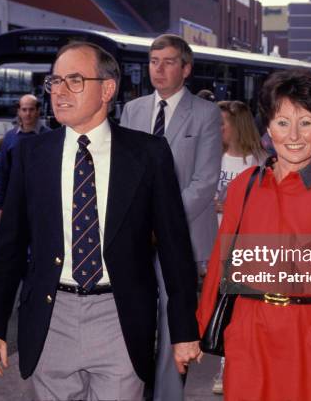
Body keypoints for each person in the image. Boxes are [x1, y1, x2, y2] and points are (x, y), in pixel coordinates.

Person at [0, 41, 202, 400]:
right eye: (55, 81)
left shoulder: (148, 154)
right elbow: (9, 248)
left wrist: (184, 329)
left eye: (75, 80)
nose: (59, 91)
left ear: (107, 90)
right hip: (52, 320)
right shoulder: (31, 155)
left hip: (120, 318)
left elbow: (175, 248)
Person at [197, 71, 311, 401]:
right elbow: (219, 266)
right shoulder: (245, 186)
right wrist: (194, 333)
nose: (293, 135)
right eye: (282, 123)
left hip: (309, 331)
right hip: (248, 330)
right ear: (268, 128)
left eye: (306, 123)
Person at [120, 34, 221, 401]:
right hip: (134, 234)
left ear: (186, 68)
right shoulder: (132, 111)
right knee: (135, 313)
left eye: (167, 61)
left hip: (183, 234)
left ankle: (166, 395)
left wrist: (160, 224)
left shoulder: (206, 113)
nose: (158, 69)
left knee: (172, 318)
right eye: (153, 61)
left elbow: (205, 182)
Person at [211, 100, 266, 394]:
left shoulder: (258, 161)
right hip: (215, 244)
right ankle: (225, 365)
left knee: (237, 310)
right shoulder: (212, 158)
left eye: (222, 124)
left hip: (245, 248)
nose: (217, 130)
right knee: (221, 309)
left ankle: (231, 369)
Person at [0, 94, 50, 218]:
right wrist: (0, 206)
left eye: (31, 109)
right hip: (16, 200)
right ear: (19, 111)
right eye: (24, 110)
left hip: (41, 202)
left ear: (38, 111)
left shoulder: (49, 136)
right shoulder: (10, 137)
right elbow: (3, 172)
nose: (27, 114)